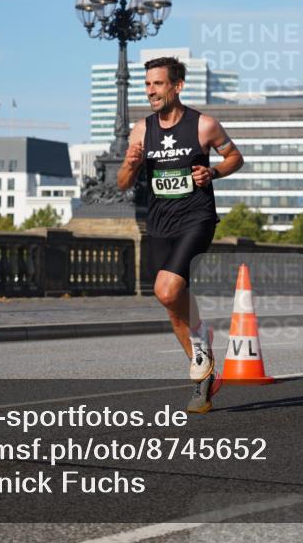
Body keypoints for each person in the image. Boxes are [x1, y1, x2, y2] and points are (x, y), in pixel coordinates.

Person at [117, 56, 244, 413]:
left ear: (177, 85)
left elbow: (235, 157)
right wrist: (129, 163)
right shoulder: (142, 131)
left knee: (167, 289)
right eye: (147, 84)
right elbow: (123, 184)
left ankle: (201, 337)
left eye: (157, 84)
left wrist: (214, 173)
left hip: (196, 219)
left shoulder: (203, 125)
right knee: (172, 304)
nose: (151, 91)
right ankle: (203, 375)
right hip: (160, 224)